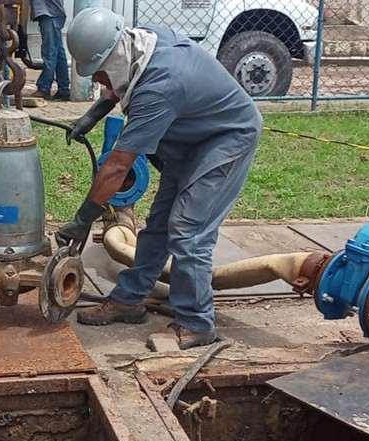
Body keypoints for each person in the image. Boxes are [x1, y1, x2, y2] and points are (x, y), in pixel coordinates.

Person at [56, 7, 264, 349]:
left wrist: (82, 220)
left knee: (188, 230)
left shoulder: (158, 89)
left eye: (97, 72)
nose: (96, 80)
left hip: (228, 137)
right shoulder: (138, 44)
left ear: (112, 58)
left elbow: (118, 167)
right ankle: (130, 298)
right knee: (160, 224)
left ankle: (196, 322)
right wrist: (93, 114)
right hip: (193, 136)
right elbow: (121, 80)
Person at [29, 0, 70, 100]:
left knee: (49, 53)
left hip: (49, 14)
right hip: (53, 13)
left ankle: (44, 88)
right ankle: (63, 89)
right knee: (59, 53)